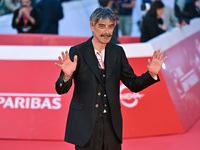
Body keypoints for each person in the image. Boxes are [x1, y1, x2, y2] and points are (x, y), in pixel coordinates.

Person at [55, 7, 167, 150]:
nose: (106, 32)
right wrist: (67, 76)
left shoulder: (117, 52)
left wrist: (151, 74)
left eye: (110, 26)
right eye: (101, 26)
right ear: (92, 26)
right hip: (85, 125)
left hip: (111, 126)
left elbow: (133, 84)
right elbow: (60, 89)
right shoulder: (77, 52)